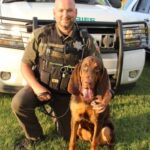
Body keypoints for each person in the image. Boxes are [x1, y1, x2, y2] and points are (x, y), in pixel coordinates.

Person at [11, 0, 114, 149]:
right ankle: (34, 136)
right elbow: (25, 64)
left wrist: (107, 96)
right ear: (54, 12)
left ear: (76, 13)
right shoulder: (41, 35)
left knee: (68, 134)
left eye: (69, 11)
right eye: (61, 11)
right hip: (42, 87)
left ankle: (58, 115)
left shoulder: (87, 41)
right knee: (19, 102)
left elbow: (101, 71)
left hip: (68, 95)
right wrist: (37, 87)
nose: (65, 15)